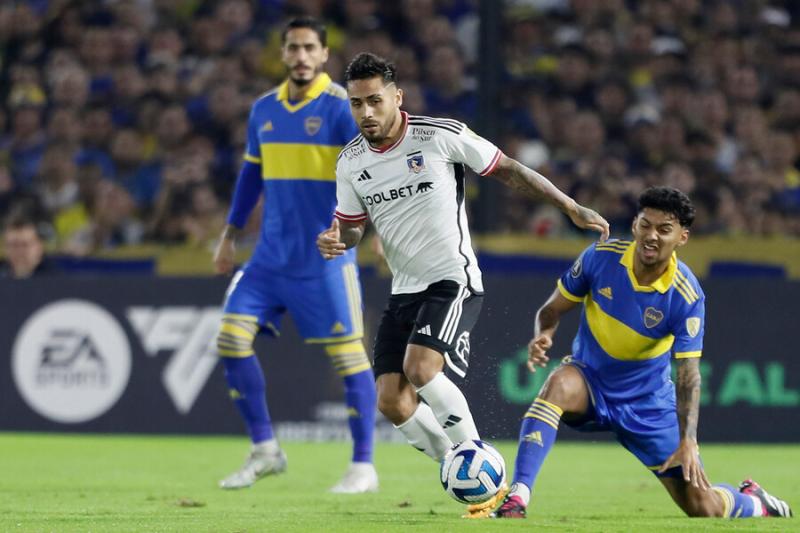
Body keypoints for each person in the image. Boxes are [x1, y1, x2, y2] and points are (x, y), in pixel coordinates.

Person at [316, 52, 609, 516]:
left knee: (420, 368)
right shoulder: (351, 162)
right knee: (392, 402)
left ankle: (478, 464)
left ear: (397, 96)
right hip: (403, 290)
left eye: (375, 101)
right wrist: (340, 237)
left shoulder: (439, 135)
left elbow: (508, 169)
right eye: (356, 104)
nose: (366, 113)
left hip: (452, 280)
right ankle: (465, 473)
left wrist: (569, 207)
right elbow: (352, 226)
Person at [493, 187, 793, 519]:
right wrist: (544, 335)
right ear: (634, 224)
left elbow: (688, 374)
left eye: (664, 230)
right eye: (645, 225)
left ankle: (755, 502)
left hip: (647, 403)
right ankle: (517, 498)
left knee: (703, 507)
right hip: (589, 380)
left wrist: (688, 440)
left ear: (682, 237)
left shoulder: (686, 295)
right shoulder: (601, 256)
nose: (651, 236)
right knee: (558, 385)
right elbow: (551, 310)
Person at [213, 17, 378, 494]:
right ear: (282, 54)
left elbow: (373, 172)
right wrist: (229, 233)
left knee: (348, 357)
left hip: (327, 257)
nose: (301, 56)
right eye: (292, 48)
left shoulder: (339, 109)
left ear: (325, 54)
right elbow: (250, 177)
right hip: (267, 259)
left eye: (310, 48)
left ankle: (363, 466)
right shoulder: (263, 109)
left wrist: (374, 231)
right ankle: (265, 450)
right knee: (229, 339)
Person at [1, 210, 59, 278]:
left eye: (25, 245)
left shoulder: (58, 279)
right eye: (14, 245)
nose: (19, 251)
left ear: (40, 247)